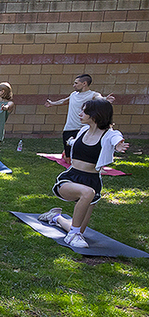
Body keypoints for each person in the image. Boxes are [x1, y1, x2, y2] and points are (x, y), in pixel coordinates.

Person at [37, 98, 129, 249]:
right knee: (87, 194)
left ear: (95, 114)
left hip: (92, 180)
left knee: (80, 228)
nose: (80, 114)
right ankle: (72, 235)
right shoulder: (83, 130)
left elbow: (116, 138)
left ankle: (56, 217)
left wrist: (118, 145)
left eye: (84, 111)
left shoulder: (109, 135)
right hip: (71, 178)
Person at [45, 74, 115, 164]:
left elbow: (99, 98)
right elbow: (64, 101)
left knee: (80, 156)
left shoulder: (92, 95)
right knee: (68, 160)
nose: (74, 85)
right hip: (69, 128)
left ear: (84, 83)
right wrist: (52, 103)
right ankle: (66, 153)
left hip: (84, 129)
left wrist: (105, 100)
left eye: (76, 83)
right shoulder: (73, 95)